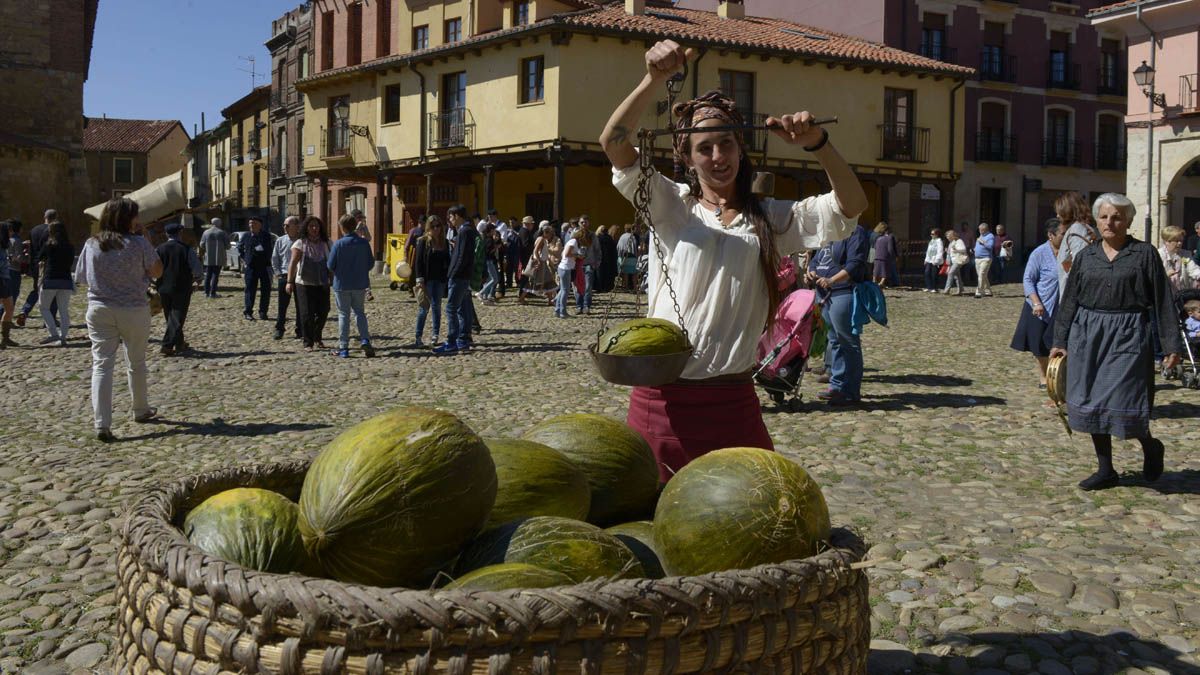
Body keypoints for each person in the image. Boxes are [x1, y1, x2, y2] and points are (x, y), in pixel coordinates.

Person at [601, 40, 866, 480]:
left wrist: (819, 144)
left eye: (726, 144)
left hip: (731, 400)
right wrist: (653, 79)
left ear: (742, 150)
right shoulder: (671, 205)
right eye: (704, 148)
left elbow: (851, 206)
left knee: (746, 521)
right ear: (686, 157)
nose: (718, 157)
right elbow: (613, 141)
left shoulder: (772, 219)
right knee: (653, 516)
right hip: (662, 399)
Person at [1051, 193, 1181, 491]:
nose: (1110, 222)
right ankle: (1106, 469)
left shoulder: (1144, 254)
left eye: (1117, 217)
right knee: (1091, 401)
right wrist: (1060, 340)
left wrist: (1171, 346)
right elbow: (1069, 301)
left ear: (1128, 221)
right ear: (1097, 220)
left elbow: (1163, 301)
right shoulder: (1086, 256)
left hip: (1129, 332)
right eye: (1105, 216)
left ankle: (1149, 445)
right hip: (1088, 334)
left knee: (1127, 400)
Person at [74, 198, 164, 442]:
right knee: (136, 361)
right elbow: (157, 271)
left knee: (102, 364)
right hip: (133, 308)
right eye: (135, 216)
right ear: (128, 219)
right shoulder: (137, 243)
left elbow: (82, 277)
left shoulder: (91, 244)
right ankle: (140, 409)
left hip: (100, 308)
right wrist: (146, 240)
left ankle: (102, 423)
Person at [806, 224, 871, 405]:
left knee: (848, 342)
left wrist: (832, 280)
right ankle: (836, 387)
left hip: (843, 292)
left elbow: (855, 263)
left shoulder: (855, 231)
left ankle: (850, 391)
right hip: (823, 294)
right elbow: (816, 258)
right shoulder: (828, 231)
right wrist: (811, 271)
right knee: (834, 341)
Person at [1010, 219, 1064, 388]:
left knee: (1058, 342)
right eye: (1063, 233)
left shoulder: (1069, 253)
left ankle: (1059, 375)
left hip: (1061, 307)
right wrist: (1036, 302)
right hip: (1040, 305)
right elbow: (1028, 279)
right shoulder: (1039, 253)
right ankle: (1044, 376)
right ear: (1051, 235)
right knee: (1039, 345)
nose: (1066, 236)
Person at [327, 214, 376, 358]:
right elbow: (371, 263)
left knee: (343, 314)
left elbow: (330, 265)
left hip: (342, 284)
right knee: (359, 312)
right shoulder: (363, 243)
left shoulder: (339, 244)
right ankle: (365, 339)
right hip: (360, 284)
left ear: (342, 227)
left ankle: (344, 347)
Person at [153, 222, 202, 356]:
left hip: (163, 287)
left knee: (170, 316)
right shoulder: (186, 249)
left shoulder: (159, 249)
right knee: (177, 316)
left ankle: (179, 343)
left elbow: (153, 267)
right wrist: (198, 279)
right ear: (180, 233)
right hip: (182, 287)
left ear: (167, 234)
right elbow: (196, 267)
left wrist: (152, 282)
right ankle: (167, 345)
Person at [435, 204, 477, 354]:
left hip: (459, 276)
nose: (450, 220)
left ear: (457, 216)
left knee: (451, 308)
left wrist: (453, 273)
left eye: (451, 217)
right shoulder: (466, 230)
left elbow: (462, 256)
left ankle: (452, 341)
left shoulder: (465, 231)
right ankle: (464, 339)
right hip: (464, 275)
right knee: (463, 307)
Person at [286, 216, 332, 352]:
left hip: (322, 282)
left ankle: (317, 336)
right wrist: (289, 281)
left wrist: (333, 278)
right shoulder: (300, 243)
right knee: (307, 313)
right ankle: (308, 342)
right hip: (304, 283)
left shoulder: (327, 243)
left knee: (324, 311)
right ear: (306, 228)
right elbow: (293, 263)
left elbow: (332, 263)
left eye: (316, 226)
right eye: (311, 226)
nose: (314, 229)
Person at [412, 215, 449, 347]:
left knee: (436, 307)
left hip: (439, 280)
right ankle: (418, 336)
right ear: (428, 227)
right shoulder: (423, 241)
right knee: (423, 309)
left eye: (438, 226)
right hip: (426, 280)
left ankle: (435, 335)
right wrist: (419, 279)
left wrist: (447, 278)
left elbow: (447, 261)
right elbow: (418, 262)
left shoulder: (444, 242)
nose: (436, 229)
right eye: (433, 226)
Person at [37, 221, 76, 346]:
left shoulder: (49, 245)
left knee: (43, 307)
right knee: (64, 310)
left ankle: (53, 333)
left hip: (50, 278)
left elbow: (39, 257)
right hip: (65, 279)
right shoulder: (70, 246)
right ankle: (63, 337)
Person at [16, 209, 55, 327]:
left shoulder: (34, 230)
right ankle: (50, 320)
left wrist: (31, 266)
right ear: (56, 217)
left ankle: (25, 311)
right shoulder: (54, 230)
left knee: (36, 290)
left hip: (36, 265)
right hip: (49, 265)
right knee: (53, 293)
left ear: (44, 217)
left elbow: (31, 250)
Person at [1054, 191, 1097, 297]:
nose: (1057, 215)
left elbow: (1080, 265)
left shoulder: (1077, 230)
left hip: (1075, 298)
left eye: (1060, 211)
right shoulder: (1079, 228)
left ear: (1068, 211)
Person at [272, 216, 303, 340]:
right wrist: (278, 273)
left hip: (299, 277)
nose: (285, 227)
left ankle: (300, 329)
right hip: (284, 276)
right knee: (282, 305)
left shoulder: (302, 240)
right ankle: (279, 329)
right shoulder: (280, 240)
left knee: (300, 305)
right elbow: (275, 258)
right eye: (284, 225)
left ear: (296, 226)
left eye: (288, 225)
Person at [238, 217, 273, 320]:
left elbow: (270, 249)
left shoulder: (266, 236)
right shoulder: (246, 236)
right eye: (250, 223)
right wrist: (245, 258)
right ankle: (248, 312)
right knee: (250, 290)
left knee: (265, 290)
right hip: (251, 267)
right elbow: (240, 248)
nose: (251, 225)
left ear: (260, 225)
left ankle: (263, 312)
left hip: (264, 266)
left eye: (253, 223)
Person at [1158, 225, 1199, 292]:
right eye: (1176, 241)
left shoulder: (1186, 254)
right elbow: (1153, 278)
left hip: (1182, 294)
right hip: (1164, 294)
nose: (1180, 243)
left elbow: (1194, 270)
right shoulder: (1158, 255)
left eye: (1181, 241)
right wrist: (1166, 275)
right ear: (1167, 241)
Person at [526, 222, 560, 302]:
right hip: (540, 263)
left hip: (543, 262)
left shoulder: (543, 239)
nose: (550, 235)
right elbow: (535, 251)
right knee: (534, 282)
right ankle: (522, 297)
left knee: (549, 282)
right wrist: (538, 261)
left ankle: (550, 300)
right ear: (545, 232)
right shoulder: (541, 239)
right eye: (549, 233)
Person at [571, 221, 600, 314]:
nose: (584, 224)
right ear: (579, 223)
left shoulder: (592, 236)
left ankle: (586, 306)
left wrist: (597, 263)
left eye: (585, 222)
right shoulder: (575, 235)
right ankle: (579, 306)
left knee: (587, 287)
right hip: (578, 264)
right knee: (578, 286)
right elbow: (570, 249)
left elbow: (597, 250)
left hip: (589, 264)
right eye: (582, 222)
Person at [556, 226, 583, 319]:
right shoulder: (573, 241)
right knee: (565, 291)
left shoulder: (571, 241)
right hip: (565, 268)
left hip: (565, 267)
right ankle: (563, 312)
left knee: (562, 290)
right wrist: (577, 255)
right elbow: (567, 254)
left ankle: (557, 310)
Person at [199, 218, 229, 298]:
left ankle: (206, 292)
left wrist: (208, 248)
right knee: (215, 275)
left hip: (209, 257)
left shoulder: (206, 232)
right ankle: (213, 293)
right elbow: (228, 246)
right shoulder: (222, 233)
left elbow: (201, 244)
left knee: (208, 275)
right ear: (220, 223)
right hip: (219, 257)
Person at [0, 221, 17, 348]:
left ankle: (5, 338)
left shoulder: (4, 246)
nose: (11, 233)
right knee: (9, 307)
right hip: (1, 279)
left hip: (4, 278)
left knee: (9, 308)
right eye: (9, 231)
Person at [6, 220, 24, 311]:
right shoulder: (17, 240)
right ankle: (4, 316)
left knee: (6, 294)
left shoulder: (6, 239)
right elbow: (18, 258)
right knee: (13, 294)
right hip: (14, 270)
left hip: (5, 269)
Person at [871, 222, 897, 287]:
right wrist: (893, 256)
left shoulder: (878, 238)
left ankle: (874, 281)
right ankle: (881, 283)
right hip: (885, 257)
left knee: (876, 270)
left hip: (877, 256)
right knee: (885, 270)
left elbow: (875, 247)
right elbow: (890, 249)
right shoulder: (889, 238)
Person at [943, 229, 967, 295]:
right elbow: (951, 253)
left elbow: (964, 249)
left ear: (952, 236)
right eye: (947, 236)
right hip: (953, 261)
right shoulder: (951, 243)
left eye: (948, 236)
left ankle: (946, 290)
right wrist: (947, 251)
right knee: (957, 276)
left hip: (958, 260)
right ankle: (960, 290)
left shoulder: (959, 241)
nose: (947, 237)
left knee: (951, 273)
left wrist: (956, 250)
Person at [596, 224, 619, 294]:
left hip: (599, 258)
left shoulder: (597, 238)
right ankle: (607, 287)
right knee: (607, 273)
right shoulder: (610, 238)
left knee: (599, 273)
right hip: (609, 259)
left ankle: (600, 287)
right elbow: (614, 250)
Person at [973, 222, 995, 298]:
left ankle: (979, 292)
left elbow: (990, 246)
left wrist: (983, 242)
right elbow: (977, 246)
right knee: (982, 275)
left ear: (986, 229)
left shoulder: (990, 236)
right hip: (977, 259)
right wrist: (974, 250)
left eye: (982, 230)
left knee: (981, 274)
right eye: (979, 230)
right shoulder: (980, 236)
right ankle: (988, 291)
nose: (980, 231)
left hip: (986, 258)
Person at [617, 224, 640, 292]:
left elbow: (619, 246)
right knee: (634, 273)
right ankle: (635, 287)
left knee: (626, 273)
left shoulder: (622, 236)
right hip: (632, 256)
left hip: (624, 256)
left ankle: (626, 287)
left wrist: (620, 255)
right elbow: (635, 246)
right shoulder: (632, 236)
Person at [922, 228, 944, 293]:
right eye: (931, 234)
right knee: (927, 272)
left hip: (935, 260)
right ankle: (928, 287)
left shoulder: (939, 241)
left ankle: (934, 287)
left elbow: (940, 251)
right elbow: (928, 251)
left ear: (937, 234)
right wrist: (926, 259)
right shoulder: (931, 241)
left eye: (932, 234)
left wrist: (937, 260)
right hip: (929, 259)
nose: (931, 235)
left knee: (934, 274)